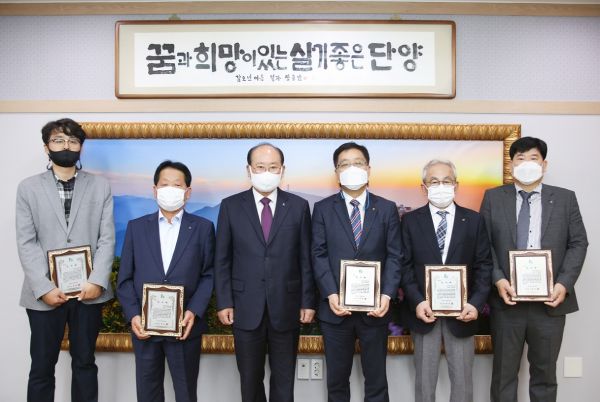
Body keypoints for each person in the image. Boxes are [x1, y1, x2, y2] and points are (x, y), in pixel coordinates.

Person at [480, 136, 588, 402]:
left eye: (533, 158)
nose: (526, 163)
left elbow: (578, 243)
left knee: (545, 376)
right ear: (511, 165)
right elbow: (483, 245)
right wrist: (498, 279)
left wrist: (563, 284)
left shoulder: (565, 198)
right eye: (520, 158)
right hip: (507, 302)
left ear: (544, 164)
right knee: (503, 376)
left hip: (550, 304)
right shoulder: (494, 198)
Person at [16, 118, 115, 402]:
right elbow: (26, 241)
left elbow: (107, 238)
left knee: (85, 363)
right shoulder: (28, 188)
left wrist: (97, 281)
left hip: (88, 292)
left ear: (81, 147)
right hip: (44, 294)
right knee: (42, 366)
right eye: (58, 140)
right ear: (46, 147)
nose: (66, 146)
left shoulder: (100, 186)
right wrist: (44, 287)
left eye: (73, 141)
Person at [214, 143, 316, 402]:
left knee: (284, 379)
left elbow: (305, 258)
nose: (266, 172)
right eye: (260, 167)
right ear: (249, 170)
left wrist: (307, 301)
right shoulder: (230, 206)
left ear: (282, 170)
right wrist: (224, 301)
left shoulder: (298, 206)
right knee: (250, 379)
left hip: (287, 305)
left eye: (273, 167)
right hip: (245, 305)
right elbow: (222, 259)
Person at [116, 160, 214, 402]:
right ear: (155, 190)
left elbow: (209, 275)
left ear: (188, 192)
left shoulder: (203, 228)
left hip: (184, 327)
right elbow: (124, 278)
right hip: (144, 328)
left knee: (186, 393)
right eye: (164, 184)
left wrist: (193, 311)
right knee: (147, 394)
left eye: (177, 185)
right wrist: (133, 315)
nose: (170, 189)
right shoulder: (136, 228)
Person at [311, 142, 401, 402]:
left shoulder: (387, 208)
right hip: (335, 310)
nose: (352, 168)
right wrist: (331, 293)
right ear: (337, 172)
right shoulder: (323, 209)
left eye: (358, 163)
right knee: (337, 383)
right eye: (345, 164)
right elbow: (317, 254)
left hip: (376, 310)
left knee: (376, 382)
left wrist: (386, 295)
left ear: (368, 169)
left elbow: (395, 255)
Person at [400, 159, 492, 402]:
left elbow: (484, 265)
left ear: (456, 185)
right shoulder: (410, 221)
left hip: (463, 313)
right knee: (424, 385)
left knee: (463, 385)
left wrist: (475, 303)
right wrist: (417, 301)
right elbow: (404, 266)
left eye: (446, 181)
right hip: (424, 313)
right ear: (423, 187)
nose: (441, 186)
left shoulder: (474, 220)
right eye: (434, 182)